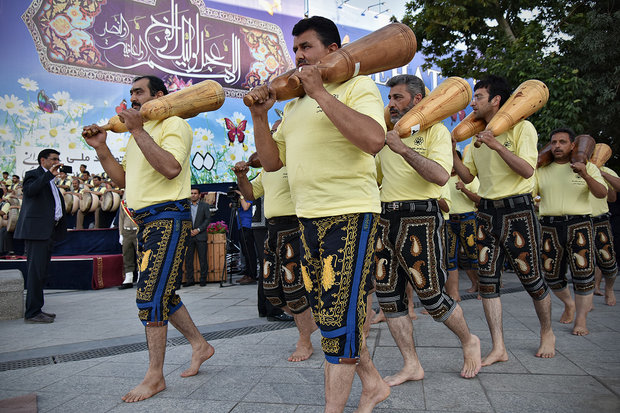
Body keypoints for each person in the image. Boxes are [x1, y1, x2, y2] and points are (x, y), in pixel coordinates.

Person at [246, 15, 390, 412]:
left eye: (305, 47)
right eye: (295, 49)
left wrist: (322, 93)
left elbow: (374, 140)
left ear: (332, 51)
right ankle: (374, 383)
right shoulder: (293, 105)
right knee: (329, 313)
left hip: (350, 214)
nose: (298, 56)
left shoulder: (358, 85)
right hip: (305, 218)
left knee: (340, 318)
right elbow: (273, 163)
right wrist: (260, 117)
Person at [82, 75, 214, 403]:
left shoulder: (174, 124)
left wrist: (138, 130)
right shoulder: (135, 133)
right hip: (145, 222)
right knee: (163, 294)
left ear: (157, 95)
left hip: (168, 217)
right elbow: (124, 179)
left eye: (138, 92)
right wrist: (101, 148)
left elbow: (170, 168)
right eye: (130, 94)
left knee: (149, 295)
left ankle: (155, 376)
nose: (133, 99)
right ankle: (200, 345)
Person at [374, 75, 481, 384]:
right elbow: (378, 177)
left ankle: (468, 340)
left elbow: (438, 175)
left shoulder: (436, 130)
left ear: (418, 100)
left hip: (420, 217)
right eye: (390, 98)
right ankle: (412, 365)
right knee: (388, 297)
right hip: (386, 218)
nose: (391, 104)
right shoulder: (387, 133)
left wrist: (403, 149)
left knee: (432, 295)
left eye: (398, 98)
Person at [452, 75, 556, 365]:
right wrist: (451, 154)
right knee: (487, 283)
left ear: (496, 100)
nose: (473, 102)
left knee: (532, 277)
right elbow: (468, 176)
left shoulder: (523, 127)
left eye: (479, 96)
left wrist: (497, 144)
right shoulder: (475, 137)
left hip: (518, 211)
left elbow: (526, 170)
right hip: (485, 211)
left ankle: (547, 332)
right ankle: (498, 347)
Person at [234, 146, 318, 362]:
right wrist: (242, 176)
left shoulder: (298, 159)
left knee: (293, 288)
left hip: (295, 227)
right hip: (272, 231)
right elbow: (250, 194)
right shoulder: (267, 170)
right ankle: (310, 321)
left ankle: (304, 341)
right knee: (271, 289)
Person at [535, 128, 607, 335]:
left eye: (563, 142)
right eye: (554, 142)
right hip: (549, 226)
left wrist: (584, 174)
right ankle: (569, 303)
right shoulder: (542, 170)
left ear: (573, 145)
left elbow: (601, 193)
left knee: (584, 275)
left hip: (579, 225)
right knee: (551, 276)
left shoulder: (588, 167)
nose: (557, 146)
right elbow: (530, 192)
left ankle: (581, 320)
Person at [14, 149, 67, 323]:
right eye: (54, 159)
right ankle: (32, 313)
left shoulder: (50, 179)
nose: (57, 162)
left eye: (58, 159)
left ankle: (37, 308)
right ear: (43, 160)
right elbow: (30, 191)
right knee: (35, 272)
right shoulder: (33, 174)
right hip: (36, 232)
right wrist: (48, 177)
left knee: (41, 272)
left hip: (48, 231)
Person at [446, 151, 481, 297]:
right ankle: (456, 294)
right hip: (449, 222)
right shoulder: (443, 178)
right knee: (450, 258)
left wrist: (464, 189)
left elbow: (479, 200)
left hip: (467, 220)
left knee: (474, 255)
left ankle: (484, 289)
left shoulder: (469, 178)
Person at [591, 165, 619, 306]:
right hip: (578, 220)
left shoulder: (604, 169)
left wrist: (600, 173)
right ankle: (587, 298)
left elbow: (613, 197)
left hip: (600, 220)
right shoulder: (570, 168)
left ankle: (609, 288)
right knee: (583, 264)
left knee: (608, 260)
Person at [183, 187, 211, 287]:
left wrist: (198, 230)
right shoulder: (185, 206)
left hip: (201, 235)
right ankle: (190, 280)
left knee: (203, 259)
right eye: (191, 193)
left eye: (195, 193)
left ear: (199, 195)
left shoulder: (205, 206)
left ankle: (203, 280)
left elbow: (207, 220)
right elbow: (183, 220)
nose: (193, 195)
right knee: (189, 259)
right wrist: (188, 230)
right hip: (189, 235)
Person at [118, 193, 139, 289]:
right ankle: (129, 278)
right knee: (127, 254)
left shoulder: (139, 201)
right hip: (126, 231)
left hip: (137, 230)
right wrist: (121, 234)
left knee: (140, 255)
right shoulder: (123, 204)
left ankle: (140, 276)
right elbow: (121, 219)